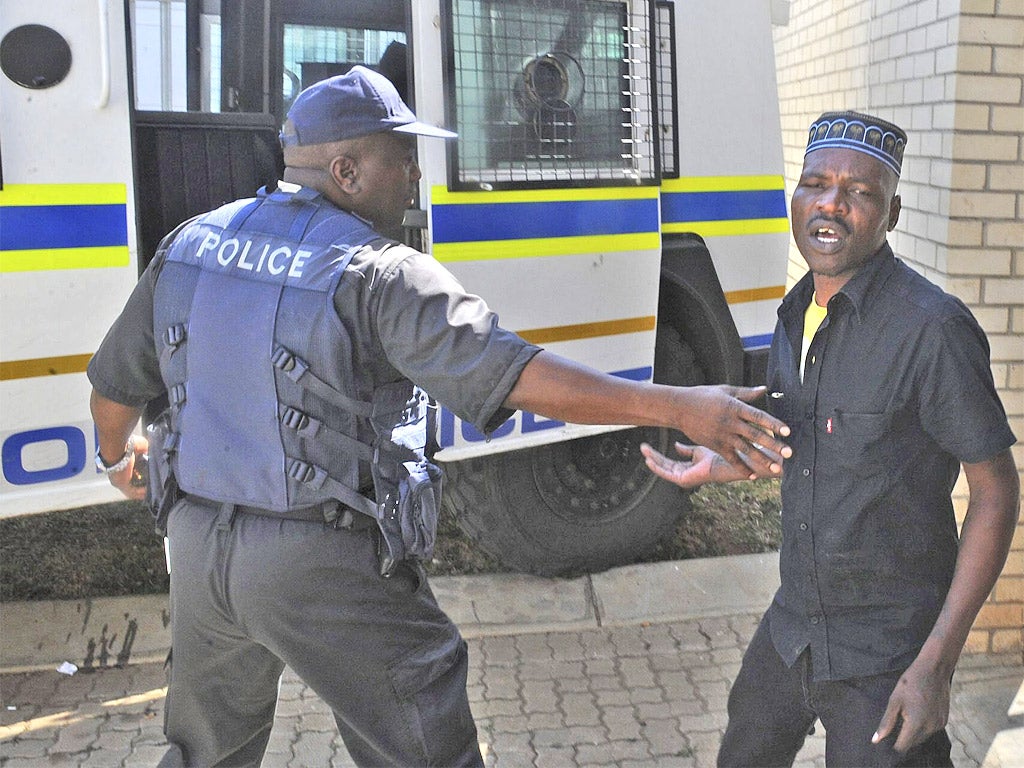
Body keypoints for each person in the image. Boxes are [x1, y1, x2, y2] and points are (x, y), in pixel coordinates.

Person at [88, 66, 791, 768]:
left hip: (198, 546)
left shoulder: (193, 243)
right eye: (404, 159)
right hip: (316, 557)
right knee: (421, 731)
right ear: (347, 170)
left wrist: (119, 457)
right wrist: (675, 404)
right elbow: (516, 374)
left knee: (204, 751)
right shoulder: (379, 271)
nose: (417, 177)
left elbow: (115, 387)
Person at [641, 111, 1019, 766]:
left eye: (860, 192)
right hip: (796, 624)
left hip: (889, 651)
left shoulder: (932, 331)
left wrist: (936, 665)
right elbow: (814, 442)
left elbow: (995, 493)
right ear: (795, 197)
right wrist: (739, 457)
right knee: (744, 749)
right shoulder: (795, 312)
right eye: (816, 183)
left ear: (892, 213)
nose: (831, 205)